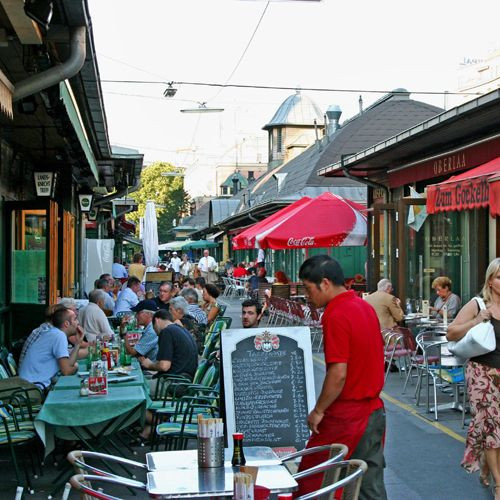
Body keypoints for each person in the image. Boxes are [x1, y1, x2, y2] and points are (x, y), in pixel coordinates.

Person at [296, 255, 386, 500]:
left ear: (325, 283)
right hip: (373, 410)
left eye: (308, 288)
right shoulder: (363, 306)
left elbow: (338, 372)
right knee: (368, 484)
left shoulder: (335, 314)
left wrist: (319, 409)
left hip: (347, 414)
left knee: (317, 479)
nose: (307, 295)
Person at [447, 258, 500, 497]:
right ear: (491, 280)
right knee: (490, 425)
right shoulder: (478, 304)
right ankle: (499, 483)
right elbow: (451, 332)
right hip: (481, 372)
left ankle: (486, 467)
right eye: (499, 276)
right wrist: (478, 320)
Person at [19, 307, 85, 390]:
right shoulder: (58, 336)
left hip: (30, 385)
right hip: (32, 388)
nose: (78, 322)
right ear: (66, 324)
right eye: (75, 319)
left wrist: (78, 343)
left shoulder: (55, 333)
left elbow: (68, 365)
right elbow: (66, 371)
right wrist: (75, 368)